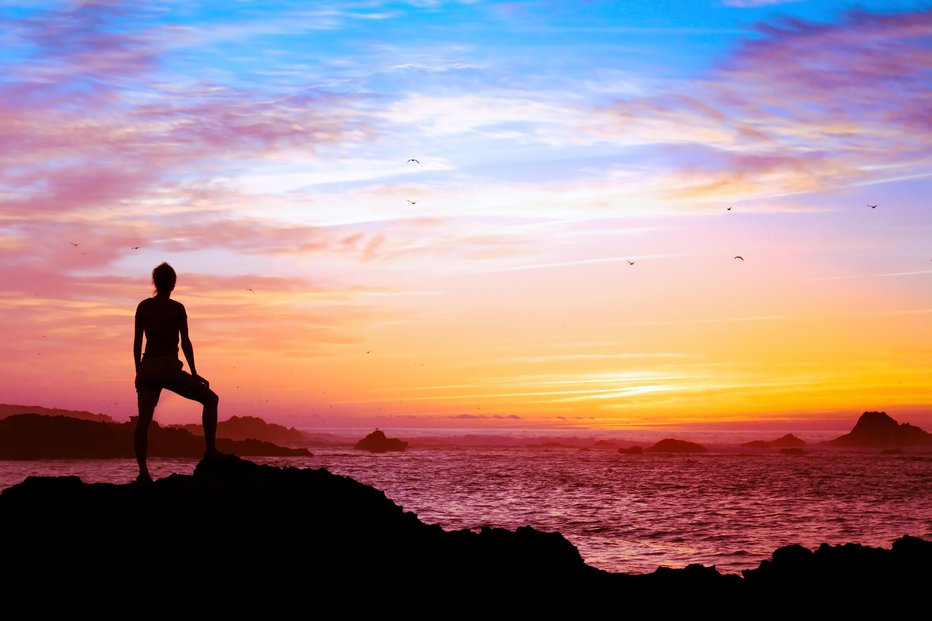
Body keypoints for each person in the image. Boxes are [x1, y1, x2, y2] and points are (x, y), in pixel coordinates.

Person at [133, 262, 221, 483]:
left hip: (147, 368)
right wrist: (194, 372)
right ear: (173, 283)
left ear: (155, 282)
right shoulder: (177, 308)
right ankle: (210, 450)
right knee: (211, 399)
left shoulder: (143, 306)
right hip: (168, 367)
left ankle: (143, 473)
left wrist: (138, 372)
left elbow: (136, 344)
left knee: (143, 422)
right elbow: (186, 343)